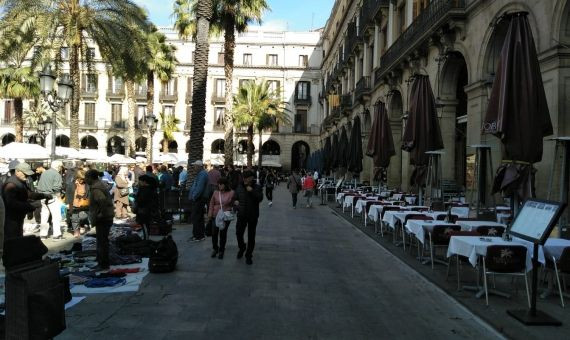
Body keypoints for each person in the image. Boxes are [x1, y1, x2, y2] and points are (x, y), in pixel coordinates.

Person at [2, 163, 48, 245]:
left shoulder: (20, 182)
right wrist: (30, 206)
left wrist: (43, 195)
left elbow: (28, 194)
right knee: (12, 241)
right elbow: (11, 203)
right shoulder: (11, 184)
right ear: (17, 171)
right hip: (11, 219)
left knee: (17, 239)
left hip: (18, 217)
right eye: (25, 174)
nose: (27, 176)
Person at [85, 169, 115, 271]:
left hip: (103, 218)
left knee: (102, 242)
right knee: (102, 241)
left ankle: (103, 264)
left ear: (90, 178)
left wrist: (100, 214)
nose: (85, 179)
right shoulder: (98, 185)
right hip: (104, 217)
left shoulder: (96, 188)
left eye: (86, 177)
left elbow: (102, 201)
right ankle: (101, 261)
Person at [234, 170, 263, 265]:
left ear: (251, 178)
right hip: (241, 214)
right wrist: (235, 204)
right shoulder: (239, 187)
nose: (245, 179)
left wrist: (252, 191)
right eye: (244, 177)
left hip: (252, 215)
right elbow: (235, 198)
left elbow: (260, 198)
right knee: (238, 233)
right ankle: (242, 247)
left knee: (251, 236)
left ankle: (248, 255)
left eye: (247, 177)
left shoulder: (257, 187)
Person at [207, 177, 235, 259]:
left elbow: (231, 202)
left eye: (221, 184)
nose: (219, 186)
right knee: (214, 233)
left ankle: (222, 250)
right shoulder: (215, 192)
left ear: (225, 184)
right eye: (218, 184)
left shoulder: (231, 193)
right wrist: (210, 213)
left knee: (223, 233)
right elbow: (211, 203)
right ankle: (215, 248)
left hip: (225, 216)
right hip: (215, 215)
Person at [37, 160, 64, 240]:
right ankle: (57, 235)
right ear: (58, 167)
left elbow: (39, 186)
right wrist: (59, 196)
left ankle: (43, 235)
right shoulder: (56, 174)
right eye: (61, 166)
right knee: (56, 217)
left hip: (42, 196)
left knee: (44, 216)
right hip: (52, 197)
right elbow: (56, 188)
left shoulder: (44, 173)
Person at [189, 160, 208, 241]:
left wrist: (194, 196)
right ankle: (200, 235)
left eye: (195, 166)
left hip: (199, 199)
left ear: (199, 166)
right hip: (199, 198)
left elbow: (199, 188)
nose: (194, 167)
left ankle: (197, 236)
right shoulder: (201, 174)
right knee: (199, 217)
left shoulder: (202, 174)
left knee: (196, 217)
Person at [135, 174, 159, 240]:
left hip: (144, 210)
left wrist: (136, 198)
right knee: (146, 225)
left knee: (145, 225)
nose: (139, 182)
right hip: (147, 210)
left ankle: (146, 239)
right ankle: (146, 238)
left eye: (140, 181)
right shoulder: (151, 189)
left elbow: (141, 200)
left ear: (144, 182)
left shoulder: (145, 190)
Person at [70, 170, 90, 238]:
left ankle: (84, 225)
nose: (82, 180)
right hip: (74, 203)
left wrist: (82, 197)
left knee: (83, 216)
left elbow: (89, 194)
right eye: (80, 179)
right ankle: (76, 231)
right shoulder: (73, 183)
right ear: (77, 177)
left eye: (83, 179)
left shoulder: (87, 184)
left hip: (83, 203)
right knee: (74, 218)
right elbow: (68, 192)